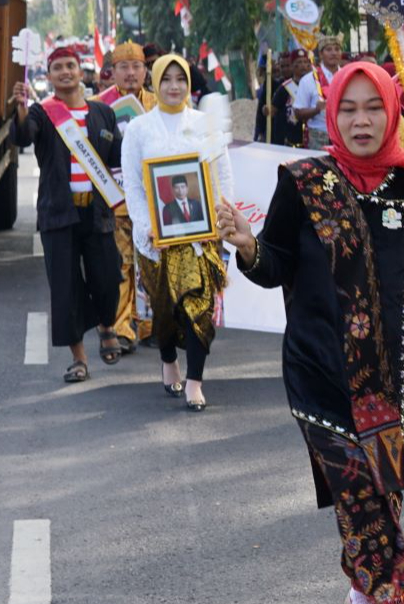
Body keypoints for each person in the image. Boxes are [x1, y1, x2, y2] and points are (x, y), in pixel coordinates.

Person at [217, 61, 404, 604]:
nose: (360, 120)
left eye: (372, 107)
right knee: (361, 489)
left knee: (379, 494)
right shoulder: (306, 179)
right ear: (331, 114)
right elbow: (277, 264)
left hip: (400, 378)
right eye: (347, 109)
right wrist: (249, 247)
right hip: (320, 374)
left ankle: (362, 591)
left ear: (391, 111)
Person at [123, 55, 236, 411]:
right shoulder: (139, 129)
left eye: (180, 79)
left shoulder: (204, 123)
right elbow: (134, 186)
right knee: (165, 310)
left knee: (199, 309)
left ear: (189, 83)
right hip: (157, 240)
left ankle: (195, 381)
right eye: (166, 79)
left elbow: (223, 174)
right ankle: (169, 359)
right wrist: (145, 228)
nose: (174, 86)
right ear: (155, 82)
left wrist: (220, 220)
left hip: (198, 238)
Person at [11, 45, 124, 381]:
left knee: (107, 277)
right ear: (49, 75)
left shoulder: (103, 113)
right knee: (65, 286)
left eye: (70, 65)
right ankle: (79, 358)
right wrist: (20, 108)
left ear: (80, 70)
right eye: (57, 67)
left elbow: (118, 157)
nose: (65, 72)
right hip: (59, 215)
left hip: (98, 212)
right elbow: (22, 137)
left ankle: (106, 324)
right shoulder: (42, 114)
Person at [97, 41, 157, 354]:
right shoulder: (100, 106)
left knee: (149, 262)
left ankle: (149, 325)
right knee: (121, 265)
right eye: (124, 67)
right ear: (113, 72)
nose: (131, 73)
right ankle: (122, 328)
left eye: (136, 66)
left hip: (152, 201)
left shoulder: (160, 102)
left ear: (145, 70)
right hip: (117, 200)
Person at [293, 36, 343, 149]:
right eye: (329, 49)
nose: (334, 53)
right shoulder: (308, 80)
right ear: (321, 54)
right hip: (318, 137)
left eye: (337, 49)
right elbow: (298, 113)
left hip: (344, 135)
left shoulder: (347, 76)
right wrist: (316, 110)